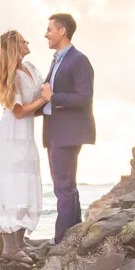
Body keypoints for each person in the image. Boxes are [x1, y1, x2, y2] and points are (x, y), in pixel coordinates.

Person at [0, 29, 44, 254]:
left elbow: (40, 99)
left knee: (25, 182)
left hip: (26, 132)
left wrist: (45, 101)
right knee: (11, 183)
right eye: (24, 41)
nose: (28, 43)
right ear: (16, 47)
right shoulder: (12, 75)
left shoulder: (32, 68)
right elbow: (18, 111)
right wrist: (44, 99)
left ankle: (20, 241)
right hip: (12, 132)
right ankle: (9, 248)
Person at [39, 13, 94, 242]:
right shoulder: (57, 60)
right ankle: (73, 236)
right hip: (55, 133)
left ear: (62, 31)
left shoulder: (78, 60)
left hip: (68, 134)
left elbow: (84, 98)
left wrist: (53, 97)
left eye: (50, 29)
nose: (46, 34)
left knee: (63, 187)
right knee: (66, 187)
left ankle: (61, 241)